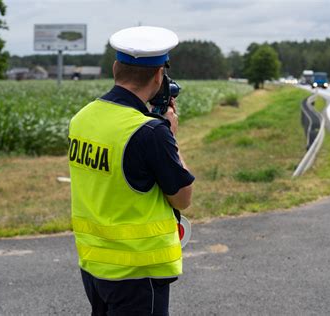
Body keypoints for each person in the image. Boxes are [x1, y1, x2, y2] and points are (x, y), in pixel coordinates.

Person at [68, 26, 194, 315]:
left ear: (115, 68)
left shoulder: (82, 118)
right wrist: (170, 134)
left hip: (94, 266)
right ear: (159, 75)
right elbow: (183, 197)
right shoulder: (150, 132)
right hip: (137, 271)